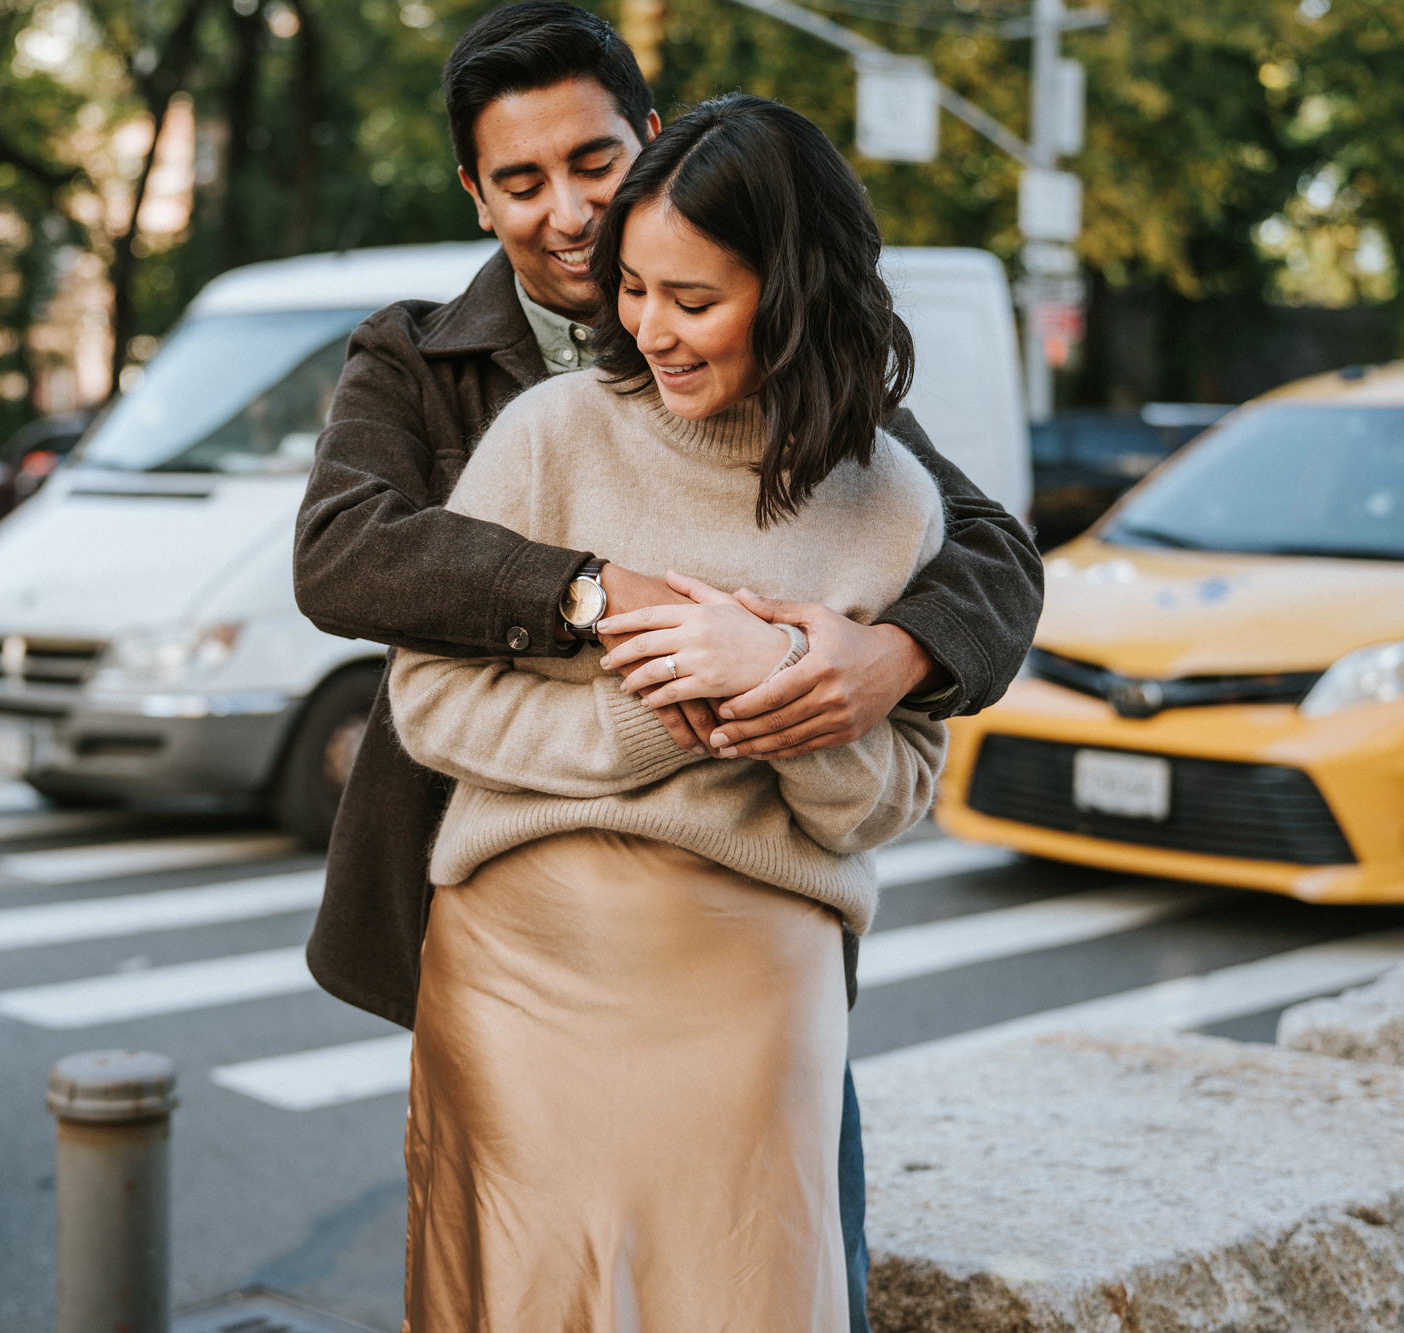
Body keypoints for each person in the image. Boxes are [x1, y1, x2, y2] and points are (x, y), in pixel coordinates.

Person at [292, 3, 1042, 1325]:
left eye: (592, 164)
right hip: (512, 912)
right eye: (520, 182)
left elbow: (979, 540)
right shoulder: (425, 359)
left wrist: (874, 654)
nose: (568, 212)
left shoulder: (813, 379)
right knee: (529, 1273)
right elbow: (347, 553)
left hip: (756, 940)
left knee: (788, 1266)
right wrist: (597, 600)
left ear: (646, 143)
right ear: (476, 193)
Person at [388, 91, 944, 1328]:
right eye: (634, 292)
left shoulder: (892, 502)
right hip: (520, 965)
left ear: (793, 295)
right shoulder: (549, 437)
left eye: (693, 302)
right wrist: (643, 720)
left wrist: (776, 684)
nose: (651, 331)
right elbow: (426, 700)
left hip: (753, 974)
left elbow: (891, 795)